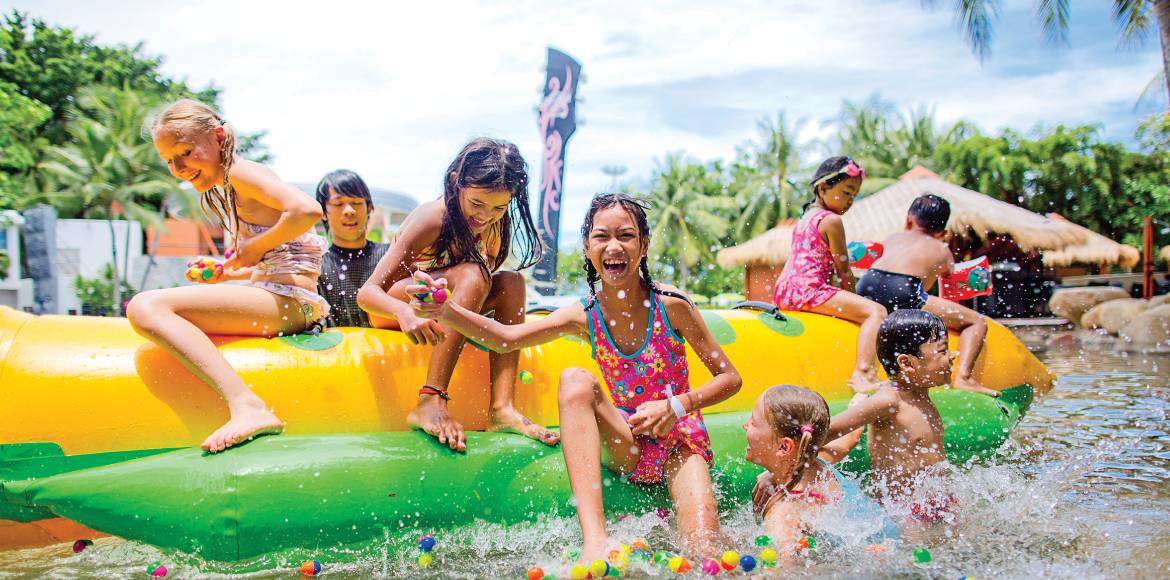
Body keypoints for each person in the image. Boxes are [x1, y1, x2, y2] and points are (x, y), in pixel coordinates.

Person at [408, 193, 742, 561]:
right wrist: (445, 310)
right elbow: (505, 338)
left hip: (680, 444)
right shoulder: (585, 315)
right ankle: (595, 542)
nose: (613, 246)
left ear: (644, 245)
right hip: (627, 441)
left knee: (703, 549)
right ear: (587, 247)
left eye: (626, 236)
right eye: (601, 236)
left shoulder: (671, 305)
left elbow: (730, 378)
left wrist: (675, 405)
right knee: (574, 380)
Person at [127, 99, 327, 453]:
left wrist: (255, 246)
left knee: (146, 307)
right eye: (169, 160)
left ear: (218, 137)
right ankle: (245, 405)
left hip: (289, 300)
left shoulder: (240, 173)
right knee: (156, 307)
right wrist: (229, 271)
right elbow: (288, 253)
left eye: (185, 152)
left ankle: (246, 405)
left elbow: (307, 210)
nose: (178, 167)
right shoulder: (237, 180)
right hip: (287, 297)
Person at [357, 137, 556, 451]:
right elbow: (367, 293)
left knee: (512, 283)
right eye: (477, 203)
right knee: (473, 273)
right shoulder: (431, 220)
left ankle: (502, 409)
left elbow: (483, 289)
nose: (486, 215)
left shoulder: (494, 222)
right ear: (455, 182)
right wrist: (405, 311)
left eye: (499, 207)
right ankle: (431, 398)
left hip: (442, 306)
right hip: (398, 308)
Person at [856, 194, 996, 395]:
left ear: (908, 221)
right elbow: (947, 289)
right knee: (976, 322)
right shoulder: (942, 251)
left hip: (867, 284)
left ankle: (865, 371)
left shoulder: (892, 238)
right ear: (943, 232)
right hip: (904, 289)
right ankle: (964, 378)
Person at [772, 156, 886, 393]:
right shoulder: (832, 221)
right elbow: (843, 270)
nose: (850, 200)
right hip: (810, 290)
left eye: (854, 195)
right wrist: (855, 300)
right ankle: (865, 373)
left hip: (785, 290)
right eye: (846, 192)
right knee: (876, 312)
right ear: (823, 188)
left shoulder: (804, 219)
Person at [823, 310, 955, 511]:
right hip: (903, 510)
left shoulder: (917, 391)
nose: (951, 356)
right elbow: (828, 430)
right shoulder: (890, 401)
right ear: (907, 363)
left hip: (936, 503)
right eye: (943, 351)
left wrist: (866, 388)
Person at [744, 386, 893, 562]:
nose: (745, 425)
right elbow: (850, 439)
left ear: (784, 447)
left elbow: (786, 566)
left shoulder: (782, 514)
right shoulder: (819, 463)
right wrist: (858, 403)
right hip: (890, 537)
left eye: (753, 422)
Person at [315, 169, 388, 328]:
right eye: (338, 204)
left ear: (369, 208)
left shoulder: (389, 256)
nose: (349, 211)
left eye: (356, 202)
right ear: (323, 212)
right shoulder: (315, 265)